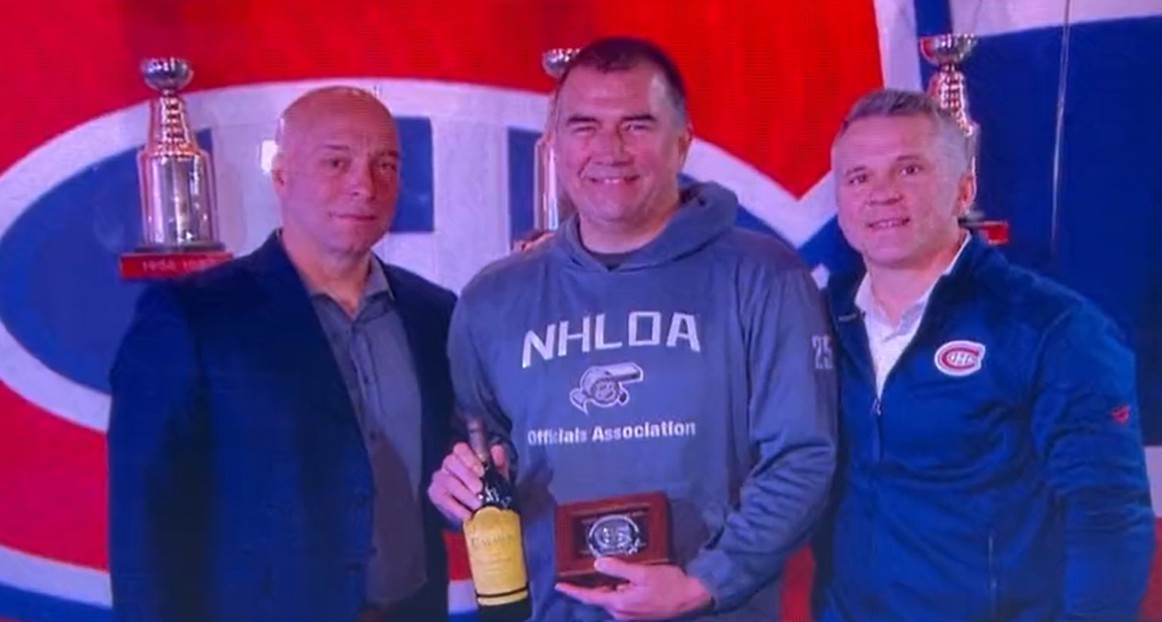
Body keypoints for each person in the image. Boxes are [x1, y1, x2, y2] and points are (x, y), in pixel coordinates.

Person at [427, 36, 838, 622]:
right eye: (585, 126)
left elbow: (803, 457)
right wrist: (458, 491)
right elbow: (477, 455)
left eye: (636, 125)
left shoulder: (764, 277)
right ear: (555, 145)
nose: (609, 150)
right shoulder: (493, 299)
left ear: (683, 143)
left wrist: (704, 583)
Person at [107, 86, 456, 622]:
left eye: (385, 164)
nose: (365, 185)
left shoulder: (435, 315)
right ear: (282, 176)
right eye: (336, 162)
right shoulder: (193, 316)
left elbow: (449, 482)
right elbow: (146, 518)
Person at [813, 87, 1156, 621]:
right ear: (840, 201)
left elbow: (1108, 517)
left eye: (909, 170)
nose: (880, 194)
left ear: (964, 187)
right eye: (859, 177)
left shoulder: (1054, 329)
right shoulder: (817, 321)